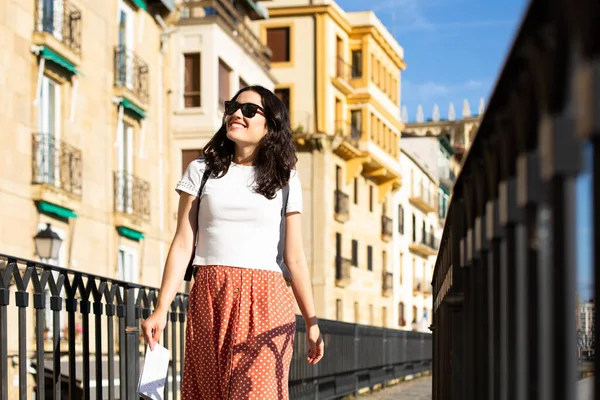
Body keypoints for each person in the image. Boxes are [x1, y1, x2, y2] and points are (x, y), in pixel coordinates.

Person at [141, 85, 324, 399]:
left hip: (267, 299)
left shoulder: (286, 178)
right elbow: (183, 244)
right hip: (209, 297)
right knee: (209, 392)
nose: (237, 114)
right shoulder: (201, 171)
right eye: (232, 107)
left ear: (270, 126)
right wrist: (161, 308)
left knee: (255, 392)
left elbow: (294, 257)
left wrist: (311, 320)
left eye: (250, 110)